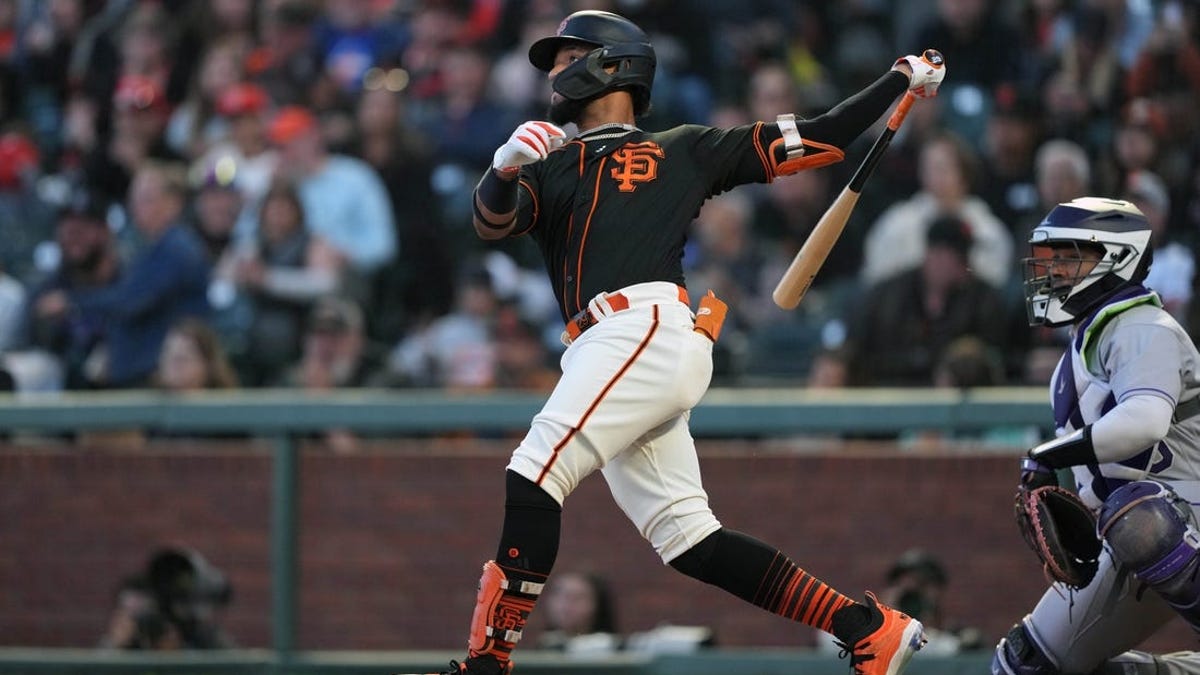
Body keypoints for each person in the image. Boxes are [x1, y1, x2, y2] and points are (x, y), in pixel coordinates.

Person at [424, 10, 946, 675]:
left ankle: (487, 662)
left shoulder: (683, 145)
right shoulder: (549, 163)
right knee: (689, 539)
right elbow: (491, 223)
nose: (554, 71)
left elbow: (823, 138)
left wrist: (898, 78)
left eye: (568, 55)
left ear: (611, 63)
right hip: (613, 346)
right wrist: (501, 169)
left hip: (639, 328)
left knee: (533, 473)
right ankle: (867, 626)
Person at [992, 197, 1200, 674]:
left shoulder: (1145, 326)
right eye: (1052, 259)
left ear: (1118, 256)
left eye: (1070, 257)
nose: (1055, 271)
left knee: (1140, 517)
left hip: (1179, 516)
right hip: (1132, 532)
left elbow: (1145, 421)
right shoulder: (1078, 350)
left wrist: (1047, 454)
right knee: (1026, 665)